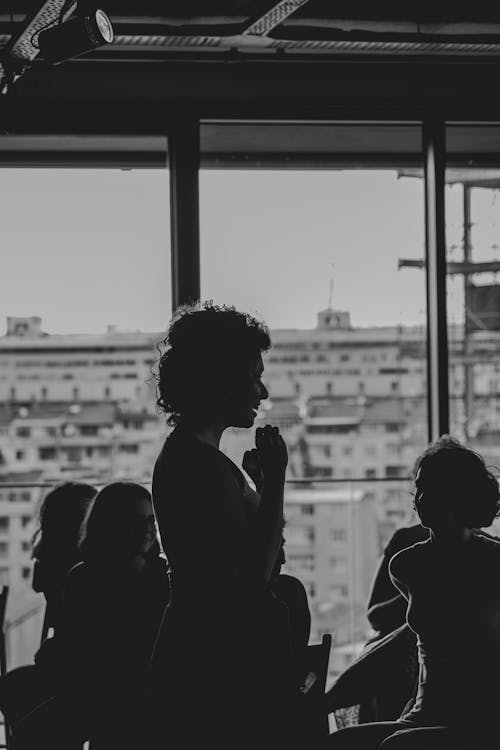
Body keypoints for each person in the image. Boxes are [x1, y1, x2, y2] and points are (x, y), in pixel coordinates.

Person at [150, 301, 300, 749]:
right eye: (254, 376)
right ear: (221, 382)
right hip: (222, 661)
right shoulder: (202, 466)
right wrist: (273, 484)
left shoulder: (193, 458)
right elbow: (256, 573)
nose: (263, 391)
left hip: (206, 651)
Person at [328, 435, 500, 750]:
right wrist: (330, 699)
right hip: (423, 716)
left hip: (482, 720)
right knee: (337, 742)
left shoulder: (494, 562)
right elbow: (411, 640)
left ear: (461, 496)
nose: (420, 499)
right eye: (419, 488)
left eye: (432, 490)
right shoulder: (407, 564)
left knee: (396, 746)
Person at [12, 482, 170, 750]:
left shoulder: (82, 577)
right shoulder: (160, 579)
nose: (147, 529)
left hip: (128, 694)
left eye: (150, 520)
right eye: (136, 520)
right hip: (105, 692)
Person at [0, 482, 97, 728]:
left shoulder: (51, 559)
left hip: (72, 659)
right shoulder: (98, 559)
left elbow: (39, 585)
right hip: (75, 659)